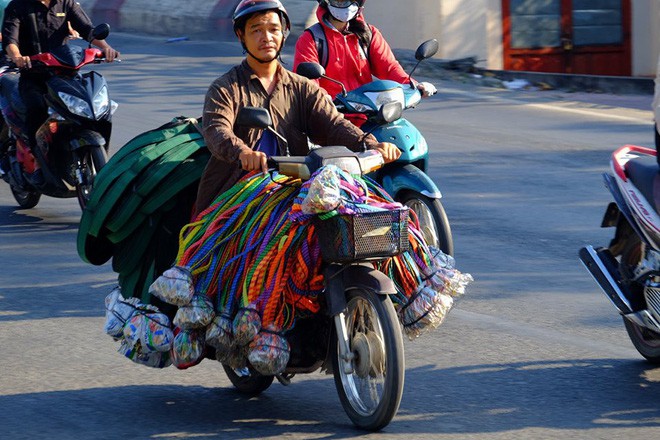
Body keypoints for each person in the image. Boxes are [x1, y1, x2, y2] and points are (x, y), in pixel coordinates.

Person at [196, 0, 400, 214]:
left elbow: (333, 125)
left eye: (274, 29)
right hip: (236, 196)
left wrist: (370, 145)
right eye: (256, 30)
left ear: (284, 33)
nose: (267, 38)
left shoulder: (302, 88)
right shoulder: (225, 88)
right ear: (241, 35)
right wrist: (243, 152)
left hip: (291, 191)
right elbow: (217, 130)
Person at [293, 0, 436, 125]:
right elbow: (308, 84)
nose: (347, 4)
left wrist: (414, 85)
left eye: (354, 0)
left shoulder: (369, 34)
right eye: (340, 0)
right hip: (331, 120)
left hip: (371, 117)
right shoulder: (311, 39)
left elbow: (389, 67)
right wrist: (323, 100)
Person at [1, 0, 119, 149]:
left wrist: (106, 48)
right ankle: (37, 159)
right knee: (36, 108)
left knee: (92, 105)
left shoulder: (66, 3)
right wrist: (18, 57)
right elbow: (10, 40)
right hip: (34, 75)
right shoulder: (17, 6)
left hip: (65, 74)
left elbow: (87, 29)